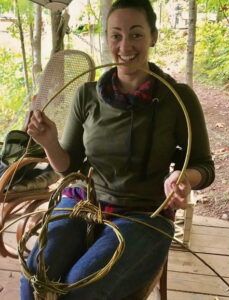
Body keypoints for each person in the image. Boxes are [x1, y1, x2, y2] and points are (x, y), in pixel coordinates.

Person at [20, 0, 215, 299]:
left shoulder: (179, 98)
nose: (125, 45)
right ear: (106, 38)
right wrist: (48, 141)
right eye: (116, 35)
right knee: (35, 276)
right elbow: (70, 167)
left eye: (136, 34)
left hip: (146, 213)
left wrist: (184, 177)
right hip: (85, 201)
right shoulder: (87, 96)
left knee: (80, 286)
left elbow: (204, 165)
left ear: (154, 36)